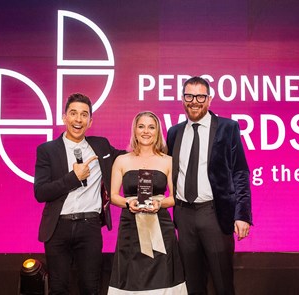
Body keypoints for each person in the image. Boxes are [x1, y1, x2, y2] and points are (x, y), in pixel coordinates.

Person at [166, 76, 253, 295]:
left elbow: (240, 172)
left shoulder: (228, 128)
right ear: (182, 99)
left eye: (200, 96)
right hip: (183, 215)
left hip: (214, 214)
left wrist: (242, 215)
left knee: (223, 284)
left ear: (209, 99)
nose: (194, 101)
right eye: (189, 96)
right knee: (193, 285)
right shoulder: (174, 132)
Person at [34, 93, 124, 294]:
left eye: (84, 115)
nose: (78, 119)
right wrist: (73, 177)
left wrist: (155, 149)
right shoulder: (47, 150)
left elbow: (127, 157)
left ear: (90, 121)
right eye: (73, 113)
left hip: (89, 227)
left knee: (91, 288)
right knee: (58, 288)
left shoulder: (100, 146)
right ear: (64, 117)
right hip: (57, 227)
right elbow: (40, 192)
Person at [108, 111, 187, 294]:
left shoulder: (168, 161)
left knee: (164, 274)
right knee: (130, 277)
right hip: (130, 227)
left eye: (151, 127)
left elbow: (176, 197)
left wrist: (161, 204)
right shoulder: (121, 160)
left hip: (161, 226)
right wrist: (129, 203)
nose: (146, 131)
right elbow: (112, 196)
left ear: (157, 131)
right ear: (135, 130)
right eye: (141, 126)